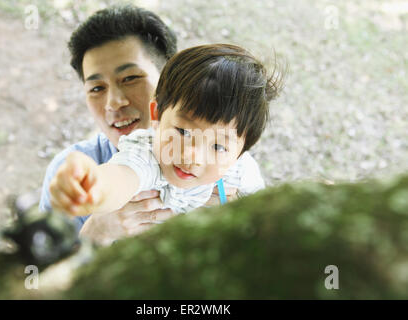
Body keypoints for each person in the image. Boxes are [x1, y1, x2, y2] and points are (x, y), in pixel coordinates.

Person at [39, 6, 245, 245]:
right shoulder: (72, 176)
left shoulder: (227, 167)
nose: (114, 102)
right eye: (96, 88)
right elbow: (38, 278)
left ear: (169, 80)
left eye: (130, 79)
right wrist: (94, 235)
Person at [49, 44, 282, 218]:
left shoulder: (240, 173)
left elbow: (264, 214)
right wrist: (93, 187)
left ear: (240, 153)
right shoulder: (148, 155)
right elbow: (121, 178)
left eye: (218, 146)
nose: (192, 156)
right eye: (182, 132)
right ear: (156, 115)